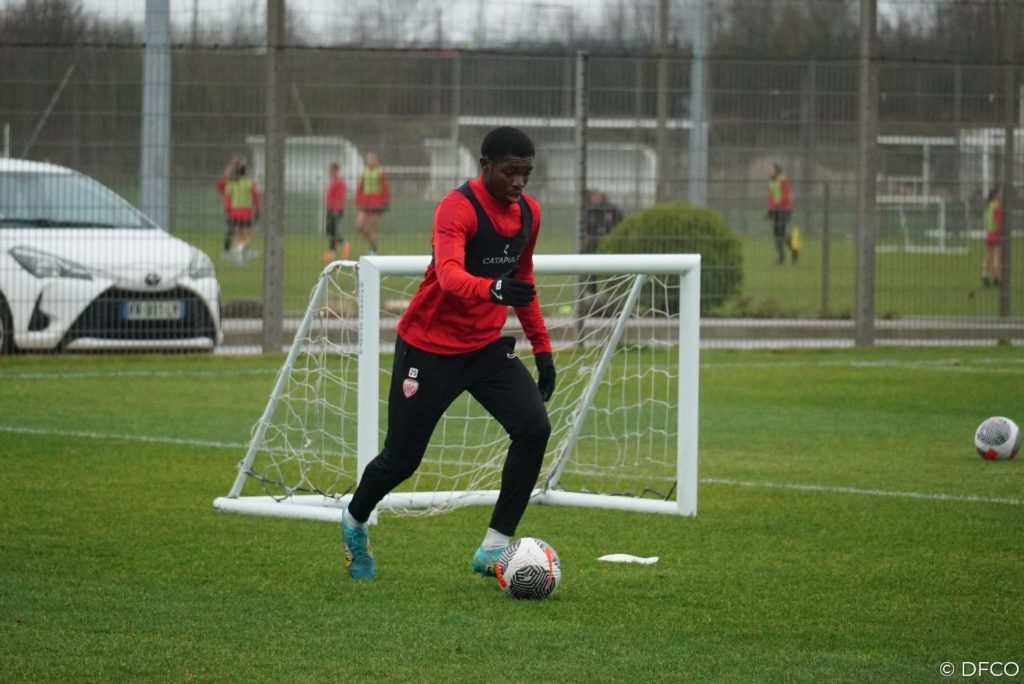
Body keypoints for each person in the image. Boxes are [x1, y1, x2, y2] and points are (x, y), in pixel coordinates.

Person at [340, 126, 556, 581]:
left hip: (485, 348)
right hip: (429, 347)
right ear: (485, 166)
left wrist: (542, 348)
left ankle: (493, 548)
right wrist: (493, 288)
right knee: (402, 459)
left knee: (534, 427)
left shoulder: (529, 214)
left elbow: (523, 280)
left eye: (527, 173)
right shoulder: (457, 208)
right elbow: (451, 275)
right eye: (510, 172)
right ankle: (355, 521)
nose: (519, 182)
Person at [223, 159, 260, 265]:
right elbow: (255, 197)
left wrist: (227, 210)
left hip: (234, 212)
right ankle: (239, 251)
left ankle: (241, 254)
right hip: (246, 212)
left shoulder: (231, 183)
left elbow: (227, 198)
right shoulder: (250, 183)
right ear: (245, 171)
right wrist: (257, 209)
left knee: (239, 234)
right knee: (248, 234)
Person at [355, 152, 390, 254]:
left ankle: (372, 249)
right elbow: (360, 188)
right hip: (365, 203)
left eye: (373, 159)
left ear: (376, 161)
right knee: (360, 226)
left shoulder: (380, 172)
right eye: (369, 159)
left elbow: (385, 188)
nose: (371, 161)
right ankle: (372, 244)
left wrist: (385, 202)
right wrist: (359, 201)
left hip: (376, 204)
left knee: (372, 228)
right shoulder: (364, 172)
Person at [767, 163, 798, 265]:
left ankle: (794, 252)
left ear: (776, 170)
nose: (769, 171)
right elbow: (770, 196)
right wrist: (770, 209)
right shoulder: (770, 181)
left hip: (784, 209)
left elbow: (785, 195)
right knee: (776, 234)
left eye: (771, 169)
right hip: (775, 210)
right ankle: (781, 258)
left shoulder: (783, 180)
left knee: (782, 232)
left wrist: (776, 205)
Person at [323, 162, 350, 261]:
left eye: (331, 170)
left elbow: (340, 197)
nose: (330, 172)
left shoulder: (339, 182)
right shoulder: (334, 181)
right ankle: (340, 246)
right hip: (331, 209)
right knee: (330, 230)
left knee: (332, 230)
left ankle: (334, 250)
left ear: (336, 170)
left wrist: (336, 209)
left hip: (336, 210)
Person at [582, 189, 623, 254]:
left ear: (602, 197)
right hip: (593, 241)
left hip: (609, 238)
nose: (594, 199)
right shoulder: (589, 210)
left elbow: (620, 221)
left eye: (597, 196)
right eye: (593, 197)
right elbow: (586, 225)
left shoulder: (611, 209)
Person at [216, 155, 242, 258]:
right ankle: (228, 251)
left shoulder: (238, 178)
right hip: (233, 208)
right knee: (233, 229)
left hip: (238, 207)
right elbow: (221, 187)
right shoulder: (229, 180)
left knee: (237, 229)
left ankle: (238, 249)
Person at [981, 187, 1003, 287]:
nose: (1001, 196)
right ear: (995, 196)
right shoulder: (996, 206)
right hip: (996, 234)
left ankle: (984, 274)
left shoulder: (989, 205)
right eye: (999, 194)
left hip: (989, 234)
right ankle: (996, 277)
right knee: (996, 256)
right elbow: (998, 222)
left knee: (989, 255)